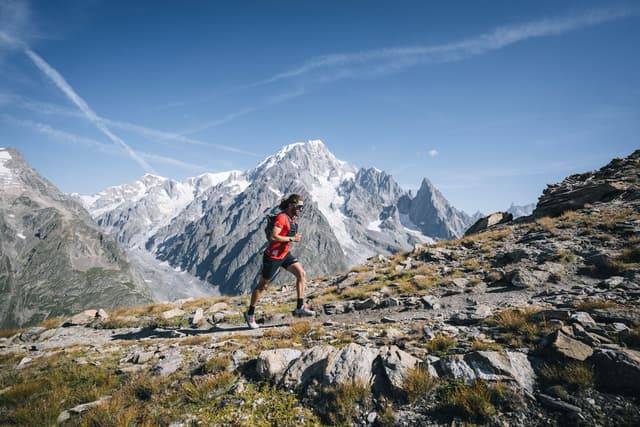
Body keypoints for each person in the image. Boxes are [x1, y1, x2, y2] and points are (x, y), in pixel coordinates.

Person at [244, 194, 315, 329]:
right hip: (272, 257)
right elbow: (274, 236)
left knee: (301, 274)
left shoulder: (292, 218)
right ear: (291, 206)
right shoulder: (282, 218)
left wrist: (291, 238)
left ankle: (300, 306)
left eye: (302, 207)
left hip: (284, 254)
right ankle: (250, 313)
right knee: (262, 286)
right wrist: (292, 239)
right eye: (299, 207)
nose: (301, 209)